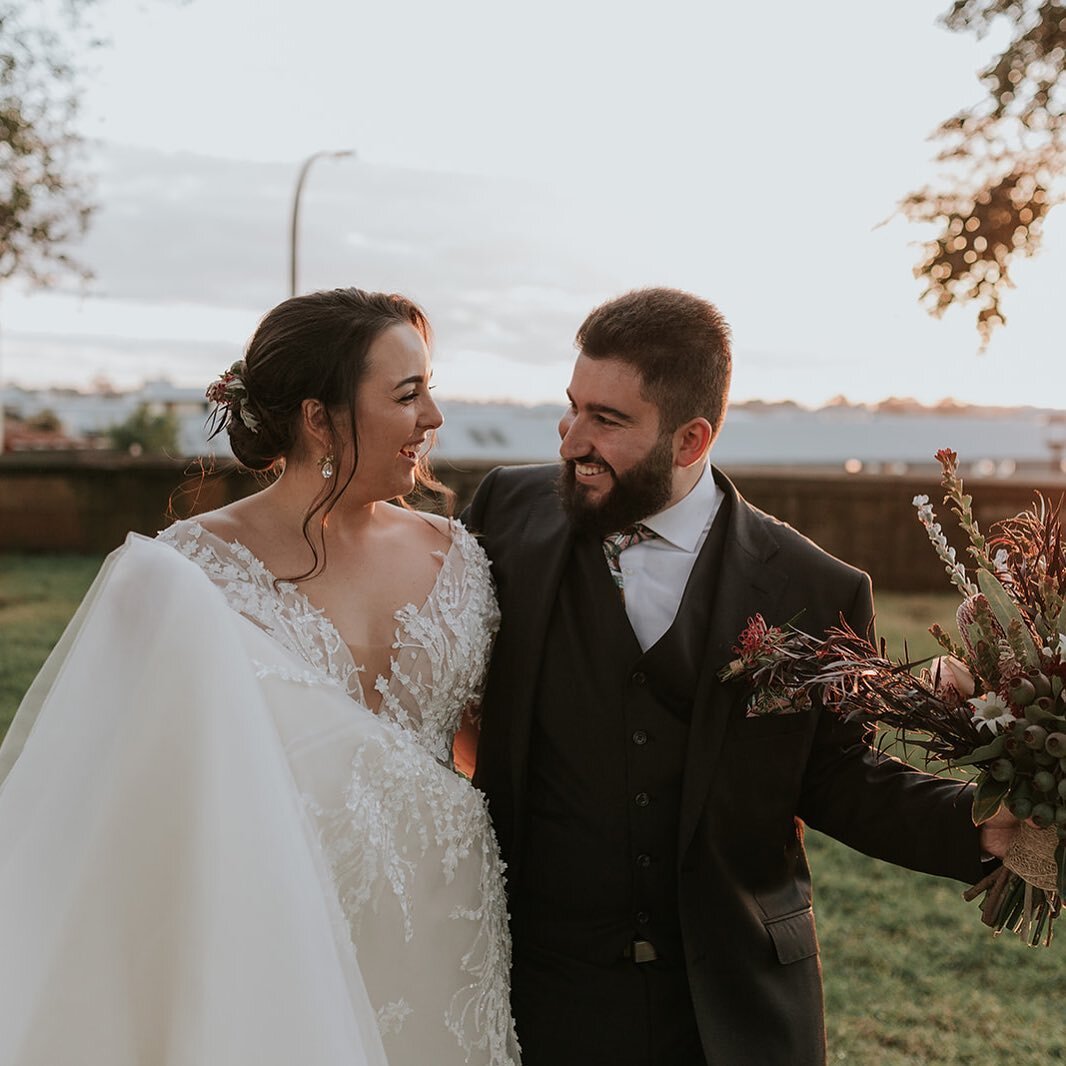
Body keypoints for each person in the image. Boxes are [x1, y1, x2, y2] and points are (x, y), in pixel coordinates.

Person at [463, 287, 1016, 1066]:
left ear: (691, 439)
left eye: (607, 420)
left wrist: (986, 826)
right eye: (572, 406)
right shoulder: (506, 511)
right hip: (539, 995)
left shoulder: (813, 585)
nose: (570, 441)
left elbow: (834, 774)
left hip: (729, 1011)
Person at [0, 288, 520, 1066]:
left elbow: (487, 751)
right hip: (271, 941)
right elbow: (126, 794)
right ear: (319, 418)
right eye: (408, 394)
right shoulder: (182, 573)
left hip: (451, 937)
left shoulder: (462, 556)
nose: (434, 418)